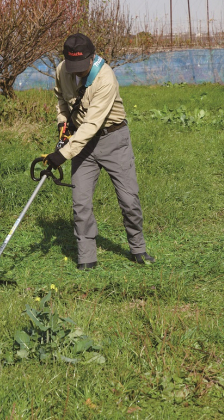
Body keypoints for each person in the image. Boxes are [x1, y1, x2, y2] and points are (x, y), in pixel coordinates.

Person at [44, 33, 155, 270]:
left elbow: (92, 124)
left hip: (113, 139)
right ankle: (86, 257)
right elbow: (61, 100)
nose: (76, 72)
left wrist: (62, 154)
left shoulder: (106, 78)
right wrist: (62, 123)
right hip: (81, 146)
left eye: (81, 67)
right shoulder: (63, 69)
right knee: (80, 202)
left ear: (92, 57)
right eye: (72, 66)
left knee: (128, 200)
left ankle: (138, 248)